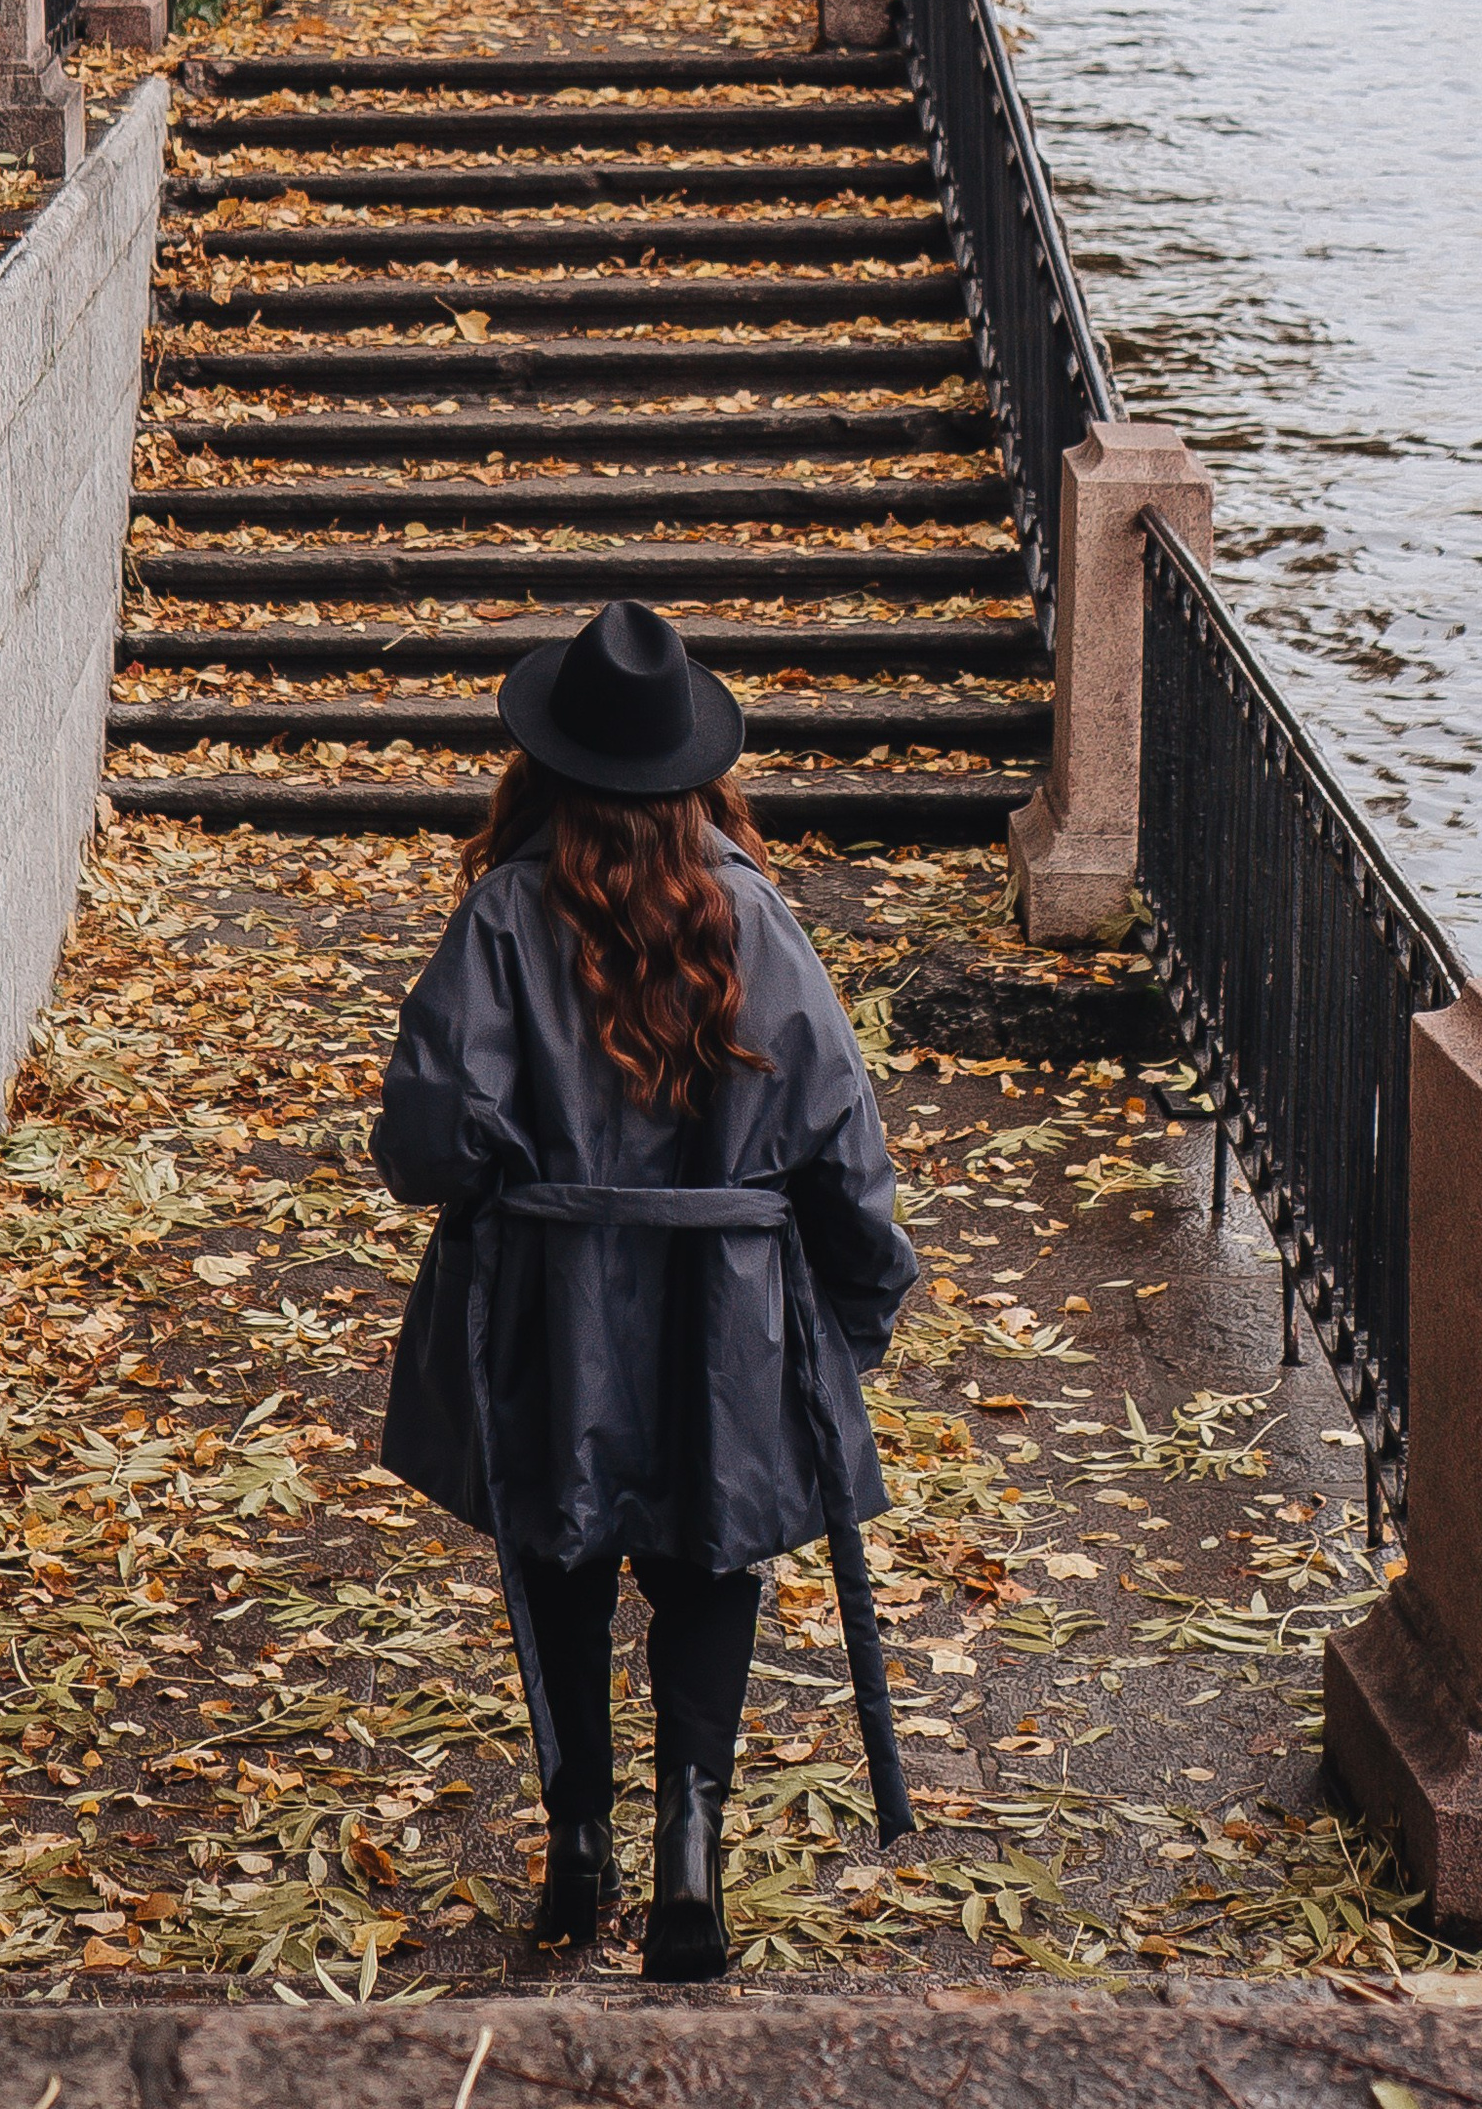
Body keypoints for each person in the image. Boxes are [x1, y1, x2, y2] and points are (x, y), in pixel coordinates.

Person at [371, 597, 918, 1981]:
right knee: (707, 1561)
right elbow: (842, 1141)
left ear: (547, 766)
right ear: (692, 774)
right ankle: (690, 1851)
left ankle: (578, 1850)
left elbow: (423, 1146)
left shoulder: (500, 918)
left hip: (557, 1312)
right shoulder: (754, 918)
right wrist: (850, 1322)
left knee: (559, 1554)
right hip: (726, 1316)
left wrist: (512, 1191)